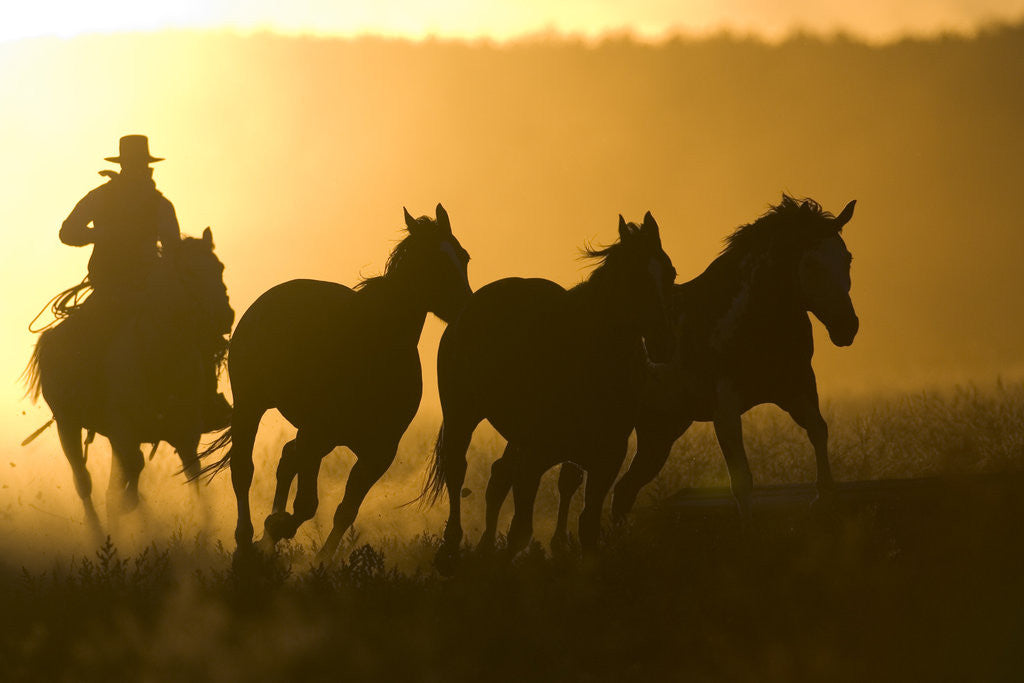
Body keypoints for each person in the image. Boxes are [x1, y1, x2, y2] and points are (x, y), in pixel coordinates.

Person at [58, 135, 229, 430]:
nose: (142, 171)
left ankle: (205, 399)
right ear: (128, 167)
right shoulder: (113, 198)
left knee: (201, 332)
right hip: (112, 289)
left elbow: (173, 251)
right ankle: (79, 396)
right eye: (137, 165)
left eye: (143, 166)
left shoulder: (152, 203)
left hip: (148, 291)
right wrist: (102, 235)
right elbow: (68, 232)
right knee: (85, 339)